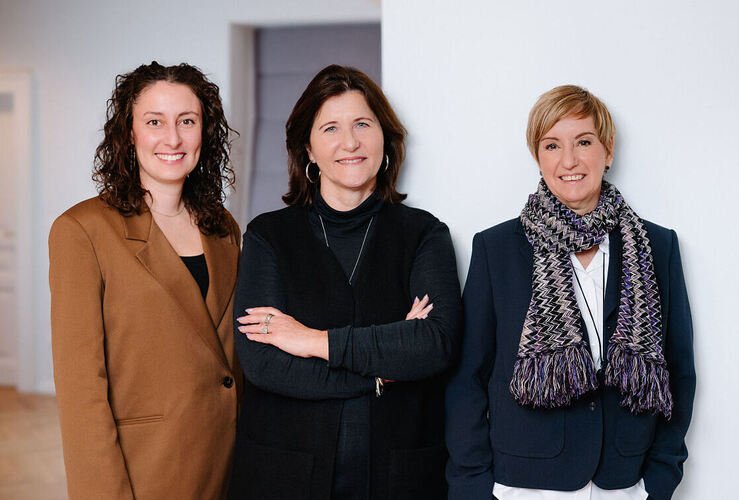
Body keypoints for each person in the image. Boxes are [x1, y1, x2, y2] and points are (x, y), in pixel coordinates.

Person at [445, 85, 695, 500]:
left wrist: (659, 480)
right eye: (552, 145)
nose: (569, 161)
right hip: (523, 486)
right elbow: (467, 378)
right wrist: (472, 486)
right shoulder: (497, 248)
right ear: (538, 157)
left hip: (625, 484)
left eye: (584, 142)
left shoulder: (657, 246)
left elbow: (678, 370)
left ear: (607, 151)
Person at [228, 64, 462, 500]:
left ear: (385, 138)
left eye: (362, 125)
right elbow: (264, 364)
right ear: (308, 149)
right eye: (331, 128)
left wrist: (314, 341)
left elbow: (434, 344)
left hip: (399, 477)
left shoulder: (424, 234)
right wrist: (381, 373)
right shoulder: (268, 236)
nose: (350, 142)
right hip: (285, 475)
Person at [49, 61, 242, 499]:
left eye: (187, 121)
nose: (172, 139)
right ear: (130, 133)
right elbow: (81, 387)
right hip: (147, 467)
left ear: (205, 132)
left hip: (228, 462)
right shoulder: (82, 230)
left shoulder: (223, 227)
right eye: (155, 121)